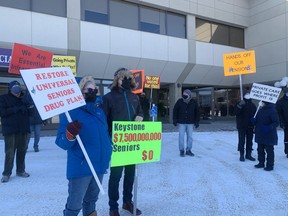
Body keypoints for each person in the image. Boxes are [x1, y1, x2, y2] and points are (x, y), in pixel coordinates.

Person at [55, 76, 112, 216]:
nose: (92, 92)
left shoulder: (99, 111)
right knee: (74, 204)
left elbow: (104, 134)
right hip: (81, 165)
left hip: (99, 164)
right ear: (79, 91)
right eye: (88, 89)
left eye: (94, 89)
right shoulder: (70, 111)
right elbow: (62, 142)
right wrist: (70, 135)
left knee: (91, 200)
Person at [102, 68, 143, 216]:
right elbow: (104, 122)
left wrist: (140, 115)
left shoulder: (135, 97)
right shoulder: (109, 98)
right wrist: (108, 140)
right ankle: (113, 207)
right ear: (116, 80)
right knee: (115, 176)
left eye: (128, 78)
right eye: (122, 78)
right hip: (116, 144)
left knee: (130, 174)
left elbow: (140, 112)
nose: (125, 81)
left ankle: (127, 202)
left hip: (131, 144)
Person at [0, 80, 31, 183]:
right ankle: (6, 173)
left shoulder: (24, 99)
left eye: (18, 86)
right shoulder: (4, 98)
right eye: (14, 86)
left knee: (22, 151)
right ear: (10, 88)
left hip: (23, 129)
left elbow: (30, 114)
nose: (17, 88)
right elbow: (2, 112)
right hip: (10, 129)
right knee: (10, 152)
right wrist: (16, 109)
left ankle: (20, 170)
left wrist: (30, 106)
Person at [172, 89, 200, 157]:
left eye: (185, 93)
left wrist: (197, 121)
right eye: (183, 93)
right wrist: (175, 119)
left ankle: (188, 150)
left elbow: (197, 112)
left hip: (190, 122)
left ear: (189, 95)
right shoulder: (179, 101)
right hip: (181, 122)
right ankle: (181, 150)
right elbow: (175, 110)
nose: (184, 95)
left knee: (190, 137)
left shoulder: (193, 102)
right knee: (181, 137)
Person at [253, 101, 279, 171]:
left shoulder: (272, 111)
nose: (261, 103)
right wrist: (254, 121)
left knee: (269, 150)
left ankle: (270, 165)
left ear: (266, 103)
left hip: (269, 134)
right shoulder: (260, 110)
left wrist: (269, 127)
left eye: (262, 102)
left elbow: (276, 122)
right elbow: (257, 121)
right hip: (260, 133)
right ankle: (261, 162)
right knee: (260, 150)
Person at [234, 91, 257, 161]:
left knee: (250, 141)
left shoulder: (252, 105)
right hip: (242, 126)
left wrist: (254, 120)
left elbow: (256, 114)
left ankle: (248, 154)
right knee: (242, 141)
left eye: (249, 94)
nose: (248, 95)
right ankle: (241, 154)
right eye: (246, 94)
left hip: (250, 126)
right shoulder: (240, 103)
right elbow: (235, 112)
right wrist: (239, 106)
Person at [276, 87, 288, 158]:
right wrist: (282, 122)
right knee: (287, 138)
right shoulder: (280, 102)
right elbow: (279, 113)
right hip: (286, 123)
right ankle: (287, 151)